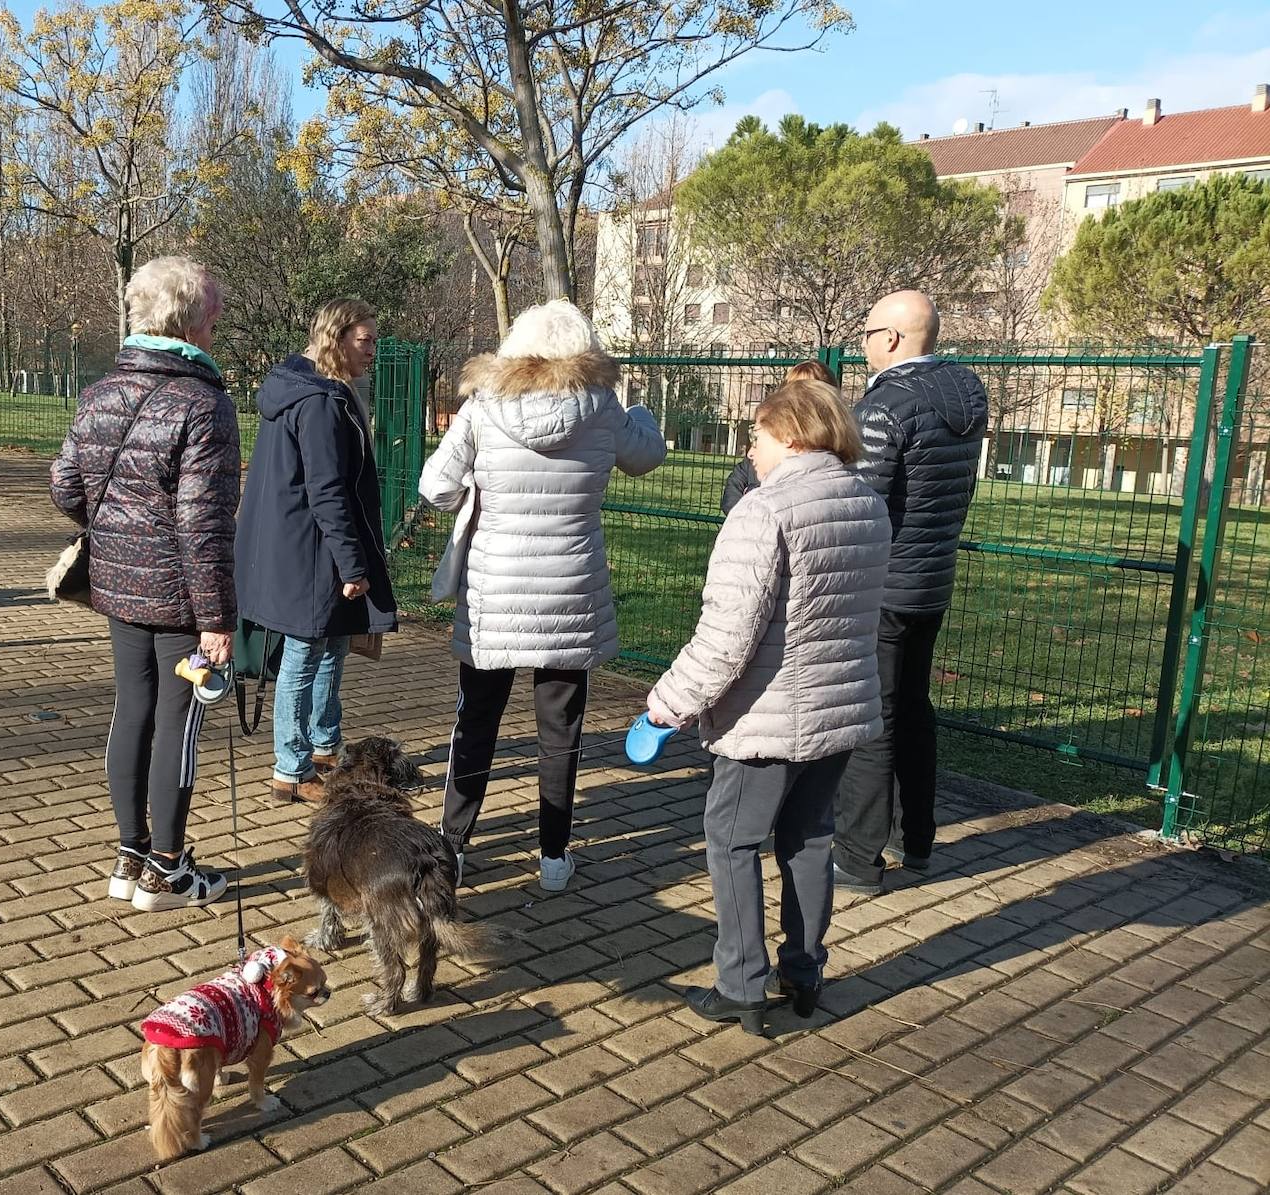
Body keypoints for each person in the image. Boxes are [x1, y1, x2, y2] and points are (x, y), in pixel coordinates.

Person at [647, 378, 890, 1033]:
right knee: (809, 840)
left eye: (755, 434)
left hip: (767, 720)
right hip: (840, 713)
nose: (749, 449)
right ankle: (804, 971)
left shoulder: (762, 511)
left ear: (790, 433)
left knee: (731, 840)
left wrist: (666, 705)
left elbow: (727, 635)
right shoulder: (867, 503)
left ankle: (743, 984)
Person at [420, 300, 666, 891]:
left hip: (495, 594)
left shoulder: (484, 407)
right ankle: (554, 858)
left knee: (475, 721)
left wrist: (474, 495)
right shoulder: (603, 408)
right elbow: (648, 456)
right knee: (562, 729)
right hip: (571, 592)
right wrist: (644, 414)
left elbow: (434, 488)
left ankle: (453, 848)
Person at [50, 256, 240, 911]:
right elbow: (202, 523)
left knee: (132, 713)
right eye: (214, 311)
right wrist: (218, 618)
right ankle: (167, 871)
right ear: (193, 319)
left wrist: (122, 532)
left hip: (119, 588)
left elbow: (64, 486)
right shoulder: (205, 403)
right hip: (183, 598)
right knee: (177, 724)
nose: (218, 322)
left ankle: (128, 857)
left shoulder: (99, 393)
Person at [834, 289, 988, 895]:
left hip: (884, 586)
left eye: (868, 334)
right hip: (932, 580)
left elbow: (858, 503)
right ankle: (915, 839)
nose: (865, 345)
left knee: (872, 717)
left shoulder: (888, 405)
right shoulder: (966, 395)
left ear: (892, 340)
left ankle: (855, 857)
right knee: (913, 710)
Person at [233, 298, 397, 803]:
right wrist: (354, 563)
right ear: (336, 337)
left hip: (299, 547)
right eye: (364, 340)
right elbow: (327, 490)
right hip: (309, 551)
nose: (373, 350)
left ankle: (325, 747)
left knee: (333, 643)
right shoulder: (320, 401)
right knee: (303, 656)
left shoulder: (305, 389)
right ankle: (291, 767)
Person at [721, 359, 836, 514]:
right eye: (794, 389)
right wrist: (745, 513)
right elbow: (735, 486)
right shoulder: (765, 445)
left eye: (810, 391)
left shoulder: (835, 455)